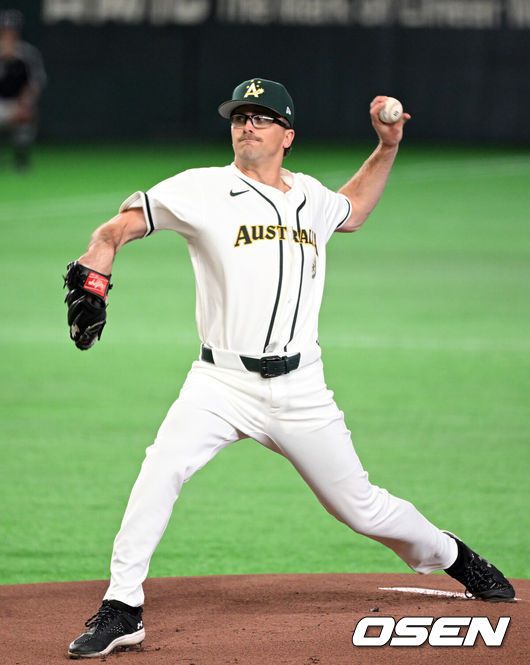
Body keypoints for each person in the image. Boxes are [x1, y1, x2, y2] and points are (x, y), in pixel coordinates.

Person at [64, 78, 515, 659]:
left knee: (360, 507)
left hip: (302, 388)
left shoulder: (311, 198)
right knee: (160, 470)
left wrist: (387, 147)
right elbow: (118, 227)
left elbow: (354, 210)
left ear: (288, 135)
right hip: (220, 383)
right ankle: (122, 607)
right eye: (240, 116)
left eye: (261, 116)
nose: (247, 125)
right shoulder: (200, 188)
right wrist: (98, 264)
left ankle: (453, 556)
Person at [0, 9, 46, 170]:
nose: (8, 34)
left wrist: (25, 103)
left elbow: (35, 83)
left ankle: (20, 158)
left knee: (27, 116)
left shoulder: (28, 53)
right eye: (5, 30)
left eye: (12, 30)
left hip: (17, 103)